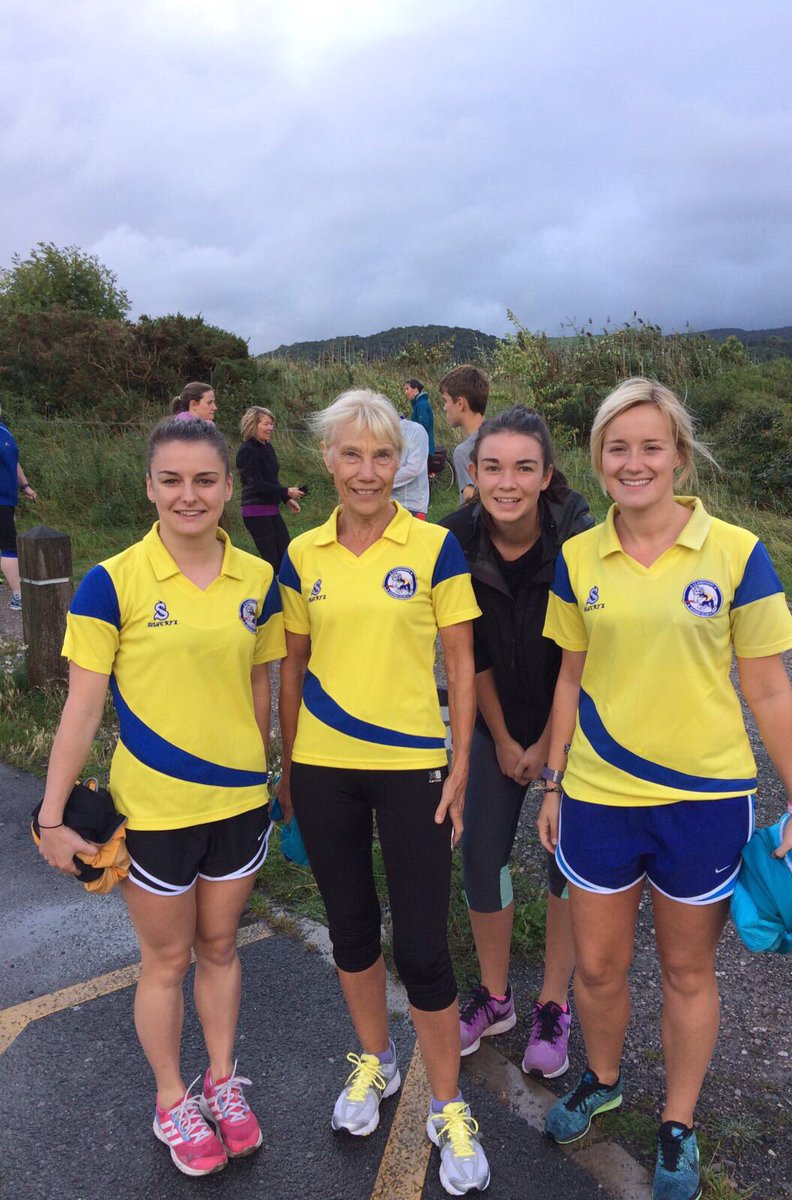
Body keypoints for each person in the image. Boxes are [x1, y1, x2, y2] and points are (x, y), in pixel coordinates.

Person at [537, 378, 792, 1200]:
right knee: (596, 967)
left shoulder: (736, 551)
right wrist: (552, 782)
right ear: (598, 460)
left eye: (650, 446)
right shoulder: (579, 555)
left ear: (679, 455)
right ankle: (602, 1077)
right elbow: (568, 679)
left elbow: (767, 690)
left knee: (688, 971)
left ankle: (678, 1124)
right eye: (616, 448)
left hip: (703, 802)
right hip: (596, 793)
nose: (634, 462)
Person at [36, 417, 285, 1178]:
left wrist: (270, 767)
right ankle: (173, 1098)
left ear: (228, 487)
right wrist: (49, 817)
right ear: (149, 486)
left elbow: (259, 681)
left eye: (205, 480)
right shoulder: (112, 582)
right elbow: (82, 708)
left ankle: (220, 1083)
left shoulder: (257, 579)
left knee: (219, 948)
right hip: (155, 816)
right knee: (168, 960)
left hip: (240, 808)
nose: (189, 495)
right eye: (171, 480)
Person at [278, 389, 491, 1196]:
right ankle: (375, 1060)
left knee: (427, 951)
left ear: (402, 464)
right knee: (351, 930)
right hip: (326, 768)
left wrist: (461, 760)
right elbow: (292, 665)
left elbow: (462, 663)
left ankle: (448, 1103)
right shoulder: (301, 555)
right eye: (350, 455)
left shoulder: (435, 546)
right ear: (328, 461)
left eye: (381, 456)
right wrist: (288, 762)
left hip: (413, 770)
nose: (367, 471)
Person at [441, 406, 593, 1079]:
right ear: (472, 473)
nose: (507, 482)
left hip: (573, 721)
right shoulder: (453, 542)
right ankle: (497, 995)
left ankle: (553, 1005)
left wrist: (550, 757)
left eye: (523, 467)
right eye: (492, 467)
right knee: (482, 854)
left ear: (546, 475)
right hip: (491, 718)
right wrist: (503, 739)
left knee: (567, 864)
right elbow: (464, 655)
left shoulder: (581, 540)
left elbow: (579, 659)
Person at [235, 405, 305, 571]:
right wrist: (287, 491)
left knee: (286, 557)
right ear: (253, 425)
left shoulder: (268, 448)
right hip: (255, 513)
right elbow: (257, 484)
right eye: (266, 424)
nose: (270, 428)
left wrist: (286, 499)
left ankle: (286, 593)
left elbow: (271, 480)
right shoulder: (247, 451)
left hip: (272, 510)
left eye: (271, 424)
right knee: (271, 562)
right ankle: (269, 594)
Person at [0, 405, 38, 611]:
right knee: (10, 546)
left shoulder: (3, 429)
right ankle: (19, 596)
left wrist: (25, 486)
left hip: (9, 498)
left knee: (8, 545)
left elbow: (13, 462)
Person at [440, 366, 489, 504]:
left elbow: (471, 500)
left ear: (460, 403)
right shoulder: (503, 436)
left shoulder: (463, 452)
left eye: (446, 401)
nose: (444, 407)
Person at [391, 414, 430, 519]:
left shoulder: (415, 431)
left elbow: (413, 469)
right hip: (386, 506)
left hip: (412, 506)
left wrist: (382, 481)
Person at [404, 378, 434, 454]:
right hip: (422, 448)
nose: (405, 392)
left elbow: (423, 427)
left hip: (424, 449)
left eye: (407, 389)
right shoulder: (417, 404)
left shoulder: (421, 404)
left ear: (415, 389)